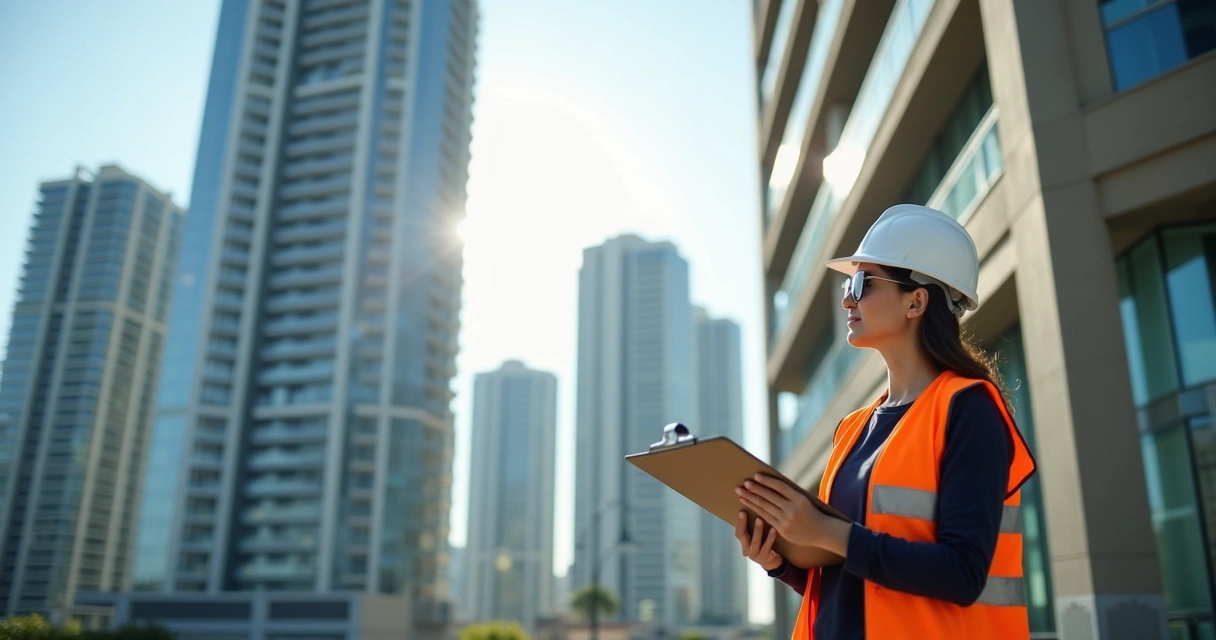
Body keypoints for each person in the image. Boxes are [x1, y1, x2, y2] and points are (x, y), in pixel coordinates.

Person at [734, 204, 1036, 639]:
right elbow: (852, 584)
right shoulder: (853, 428)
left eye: (862, 282)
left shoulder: (969, 407)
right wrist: (780, 562)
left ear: (916, 301)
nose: (847, 298)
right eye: (847, 283)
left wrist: (825, 531)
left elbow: (963, 574)